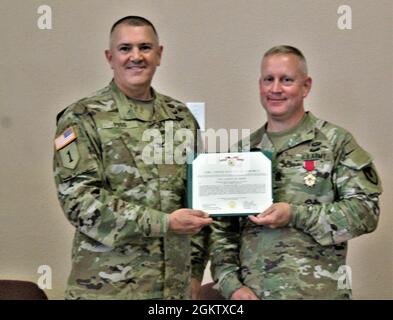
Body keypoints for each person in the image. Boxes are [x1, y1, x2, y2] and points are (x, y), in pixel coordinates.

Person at [53, 16, 212, 300]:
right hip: (107, 289)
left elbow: (198, 200)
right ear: (109, 57)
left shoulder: (181, 118)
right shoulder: (82, 117)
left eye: (145, 47)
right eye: (126, 48)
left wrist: (195, 272)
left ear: (159, 54)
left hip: (173, 291)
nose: (136, 57)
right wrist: (163, 223)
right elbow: (79, 202)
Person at [210, 45, 382, 300]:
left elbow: (366, 213)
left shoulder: (335, 142)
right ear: (260, 85)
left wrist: (295, 215)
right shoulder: (241, 154)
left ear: (306, 86)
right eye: (269, 79)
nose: (275, 88)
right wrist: (231, 286)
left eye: (287, 80)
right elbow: (222, 231)